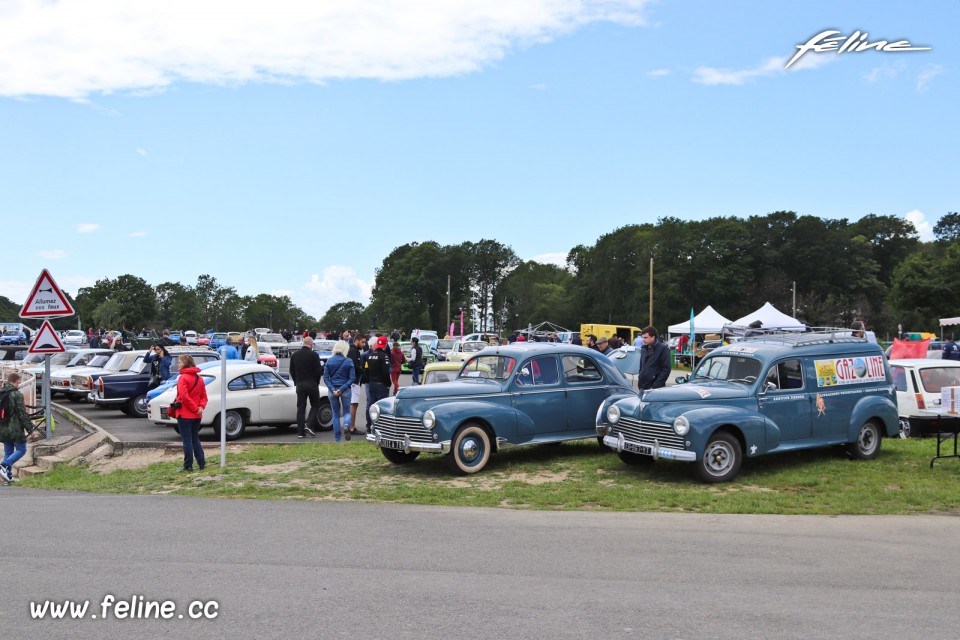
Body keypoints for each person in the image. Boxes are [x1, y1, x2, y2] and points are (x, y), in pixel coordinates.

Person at [173, 355, 208, 472]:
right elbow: (204, 396)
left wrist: (194, 408)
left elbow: (184, 397)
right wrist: (200, 407)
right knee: (195, 439)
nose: (178, 364)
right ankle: (201, 462)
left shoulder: (183, 378)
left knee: (187, 440)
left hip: (185, 414)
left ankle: (188, 465)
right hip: (197, 415)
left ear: (185, 363)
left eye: (180, 362)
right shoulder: (199, 378)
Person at [1, 372, 32, 483]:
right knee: (21, 450)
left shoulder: (1, 393)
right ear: (15, 381)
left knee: (8, 453)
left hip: (3, 428)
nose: (19, 384)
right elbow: (22, 413)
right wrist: (30, 429)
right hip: (15, 428)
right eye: (18, 381)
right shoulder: (16, 394)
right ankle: (3, 465)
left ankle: (7, 478)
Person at [323, 340, 356, 442]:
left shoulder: (329, 360)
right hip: (345, 390)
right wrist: (341, 389)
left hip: (332, 390)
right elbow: (352, 378)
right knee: (347, 411)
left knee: (335, 414)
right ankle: (346, 425)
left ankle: (337, 439)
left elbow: (325, 378)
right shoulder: (349, 361)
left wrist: (333, 389)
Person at [288, 336, 320, 438]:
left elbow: (291, 370)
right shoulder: (314, 355)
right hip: (311, 383)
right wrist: (316, 381)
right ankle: (309, 425)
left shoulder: (295, 355)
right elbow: (318, 371)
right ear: (311, 344)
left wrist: (296, 381)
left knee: (301, 408)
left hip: (300, 384)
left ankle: (300, 432)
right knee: (315, 404)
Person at [362, 336, 391, 426]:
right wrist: (388, 383)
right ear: (385, 344)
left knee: (371, 405)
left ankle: (370, 425)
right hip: (381, 384)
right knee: (381, 406)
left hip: (371, 383)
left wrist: (368, 380)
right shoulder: (384, 356)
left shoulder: (369, 356)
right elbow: (386, 372)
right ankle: (380, 427)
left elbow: (366, 370)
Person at [637, 326, 671, 390]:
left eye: (645, 337)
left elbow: (666, 369)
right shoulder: (644, 349)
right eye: (643, 337)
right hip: (642, 386)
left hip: (655, 389)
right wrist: (640, 377)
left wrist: (655, 386)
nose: (643, 340)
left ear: (653, 337)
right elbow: (642, 366)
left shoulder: (663, 349)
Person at [347, 335, 366, 432]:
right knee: (353, 404)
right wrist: (362, 370)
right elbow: (353, 365)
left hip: (353, 381)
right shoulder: (353, 351)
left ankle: (350, 425)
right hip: (354, 382)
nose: (364, 344)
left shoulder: (352, 350)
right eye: (362, 342)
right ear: (357, 341)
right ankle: (352, 427)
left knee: (353, 404)